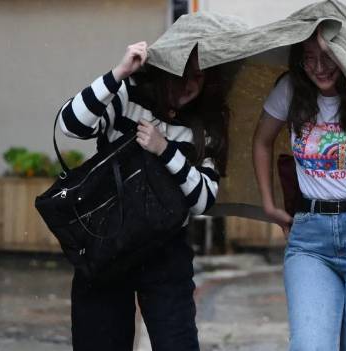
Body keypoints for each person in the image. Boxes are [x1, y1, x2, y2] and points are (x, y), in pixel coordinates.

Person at [57, 41, 231, 351]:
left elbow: (204, 200)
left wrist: (166, 150)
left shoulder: (208, 127)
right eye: (182, 72)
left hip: (166, 251)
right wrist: (119, 72)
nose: (188, 84)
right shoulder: (127, 94)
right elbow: (70, 125)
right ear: (165, 68)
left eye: (199, 77)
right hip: (105, 243)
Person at [252, 28, 346, 351]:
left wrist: (344, 58)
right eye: (309, 59)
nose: (318, 67)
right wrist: (268, 204)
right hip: (311, 240)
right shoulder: (290, 89)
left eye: (327, 57)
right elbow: (262, 141)